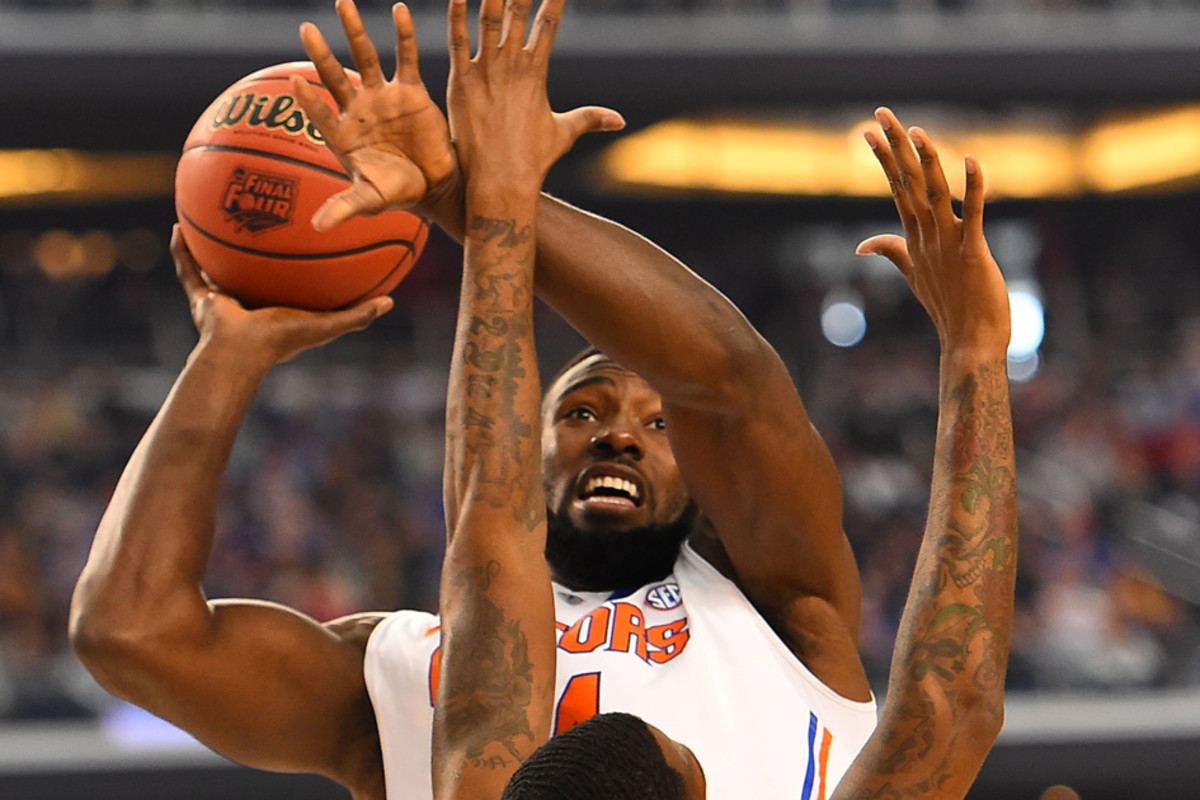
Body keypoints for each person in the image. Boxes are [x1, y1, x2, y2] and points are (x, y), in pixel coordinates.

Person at [70, 2, 880, 800]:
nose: (619, 436)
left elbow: (731, 380)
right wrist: (227, 354)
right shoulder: (406, 666)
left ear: (709, 482)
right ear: (524, 443)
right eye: (582, 411)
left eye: (659, 422)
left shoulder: (781, 610)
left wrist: (468, 194)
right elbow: (130, 632)